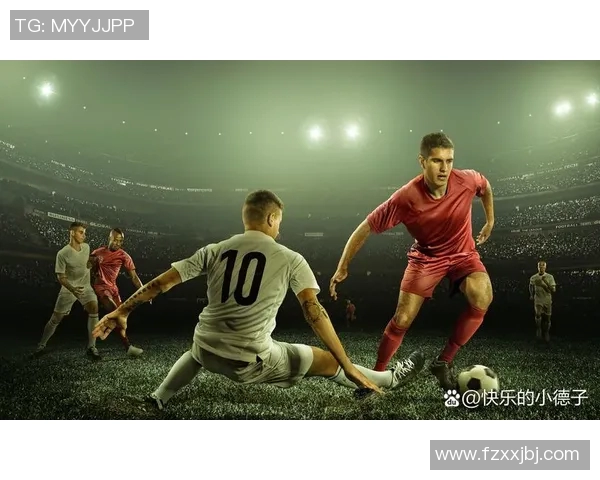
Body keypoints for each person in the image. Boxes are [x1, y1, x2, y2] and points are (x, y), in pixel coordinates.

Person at [93, 190, 424, 409]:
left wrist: (122, 310)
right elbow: (314, 312)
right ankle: (388, 378)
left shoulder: (215, 249)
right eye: (279, 221)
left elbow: (160, 283)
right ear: (271, 218)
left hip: (206, 349)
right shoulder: (290, 258)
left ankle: (158, 397)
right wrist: (347, 365)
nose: (280, 227)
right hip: (250, 361)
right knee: (325, 361)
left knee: (196, 351)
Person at [329, 132, 494, 391]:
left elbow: (484, 187)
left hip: (463, 255)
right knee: (403, 318)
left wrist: (490, 220)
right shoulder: (406, 197)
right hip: (426, 259)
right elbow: (365, 227)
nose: (444, 168)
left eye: (449, 161)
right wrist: (343, 266)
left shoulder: (466, 180)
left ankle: (443, 361)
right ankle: (376, 376)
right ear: (422, 161)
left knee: (482, 295)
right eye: (437, 161)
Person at [34, 222, 101, 360]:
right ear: (72, 233)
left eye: (84, 232)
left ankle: (91, 347)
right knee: (56, 318)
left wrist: (92, 263)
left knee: (94, 308)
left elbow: (86, 264)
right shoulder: (62, 253)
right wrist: (72, 289)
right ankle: (41, 345)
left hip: (85, 286)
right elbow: (61, 277)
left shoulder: (86, 247)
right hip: (69, 288)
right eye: (81, 232)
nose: (84, 235)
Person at [89, 228, 144, 357]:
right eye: (115, 240)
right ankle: (96, 343)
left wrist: (144, 291)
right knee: (116, 313)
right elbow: (87, 270)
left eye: (120, 241)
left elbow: (134, 277)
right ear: (109, 238)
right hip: (101, 287)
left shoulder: (124, 255)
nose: (118, 243)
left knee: (120, 319)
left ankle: (127, 347)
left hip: (114, 289)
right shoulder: (97, 253)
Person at [529, 260, 556, 342]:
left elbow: (553, 290)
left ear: (545, 267)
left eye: (543, 266)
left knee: (548, 318)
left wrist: (544, 283)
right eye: (539, 266)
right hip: (538, 298)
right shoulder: (534, 277)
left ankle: (546, 332)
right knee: (538, 314)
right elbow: (530, 285)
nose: (541, 267)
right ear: (537, 267)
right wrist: (531, 294)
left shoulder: (550, 277)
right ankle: (538, 329)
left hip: (547, 299)